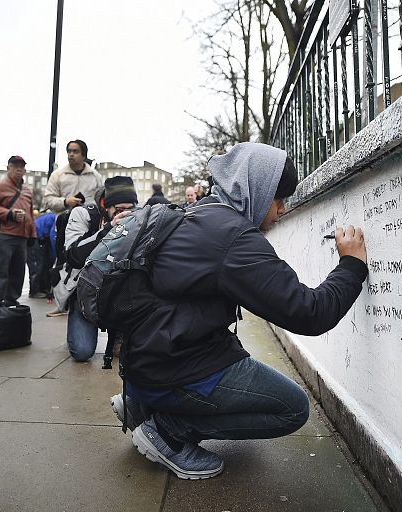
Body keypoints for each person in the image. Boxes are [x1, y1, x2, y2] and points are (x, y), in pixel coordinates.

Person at [109, 142, 368, 480]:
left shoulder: (201, 214)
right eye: (279, 199)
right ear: (257, 191)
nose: (282, 211)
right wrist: (350, 265)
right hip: (172, 366)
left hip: (146, 359)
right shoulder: (233, 238)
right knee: (292, 408)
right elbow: (309, 313)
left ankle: (145, 405)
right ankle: (170, 430)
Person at [64, 176, 137, 362]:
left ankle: (120, 331)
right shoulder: (83, 214)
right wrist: (108, 230)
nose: (126, 214)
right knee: (82, 352)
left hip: (118, 291)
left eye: (131, 209)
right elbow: (73, 255)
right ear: (106, 206)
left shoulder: (139, 217)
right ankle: (78, 313)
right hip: (85, 289)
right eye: (120, 210)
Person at [0, 155, 36, 306]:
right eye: (15, 166)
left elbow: (30, 215)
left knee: (18, 273)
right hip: (5, 236)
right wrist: (9, 214)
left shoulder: (26, 190)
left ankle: (11, 301)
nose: (19, 169)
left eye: (21, 166)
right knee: (2, 271)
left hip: (22, 237)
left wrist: (33, 234)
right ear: (8, 168)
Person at [43, 139, 104, 213]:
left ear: (84, 156)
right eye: (69, 151)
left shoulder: (95, 176)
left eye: (75, 151)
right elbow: (47, 200)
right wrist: (65, 202)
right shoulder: (57, 175)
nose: (71, 154)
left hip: (90, 221)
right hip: (64, 221)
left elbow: (102, 199)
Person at [33, 209, 57, 300]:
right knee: (39, 264)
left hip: (39, 237)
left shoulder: (51, 215)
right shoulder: (55, 218)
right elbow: (52, 236)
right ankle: (35, 291)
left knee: (45, 264)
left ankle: (43, 289)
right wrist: (56, 254)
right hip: (35, 237)